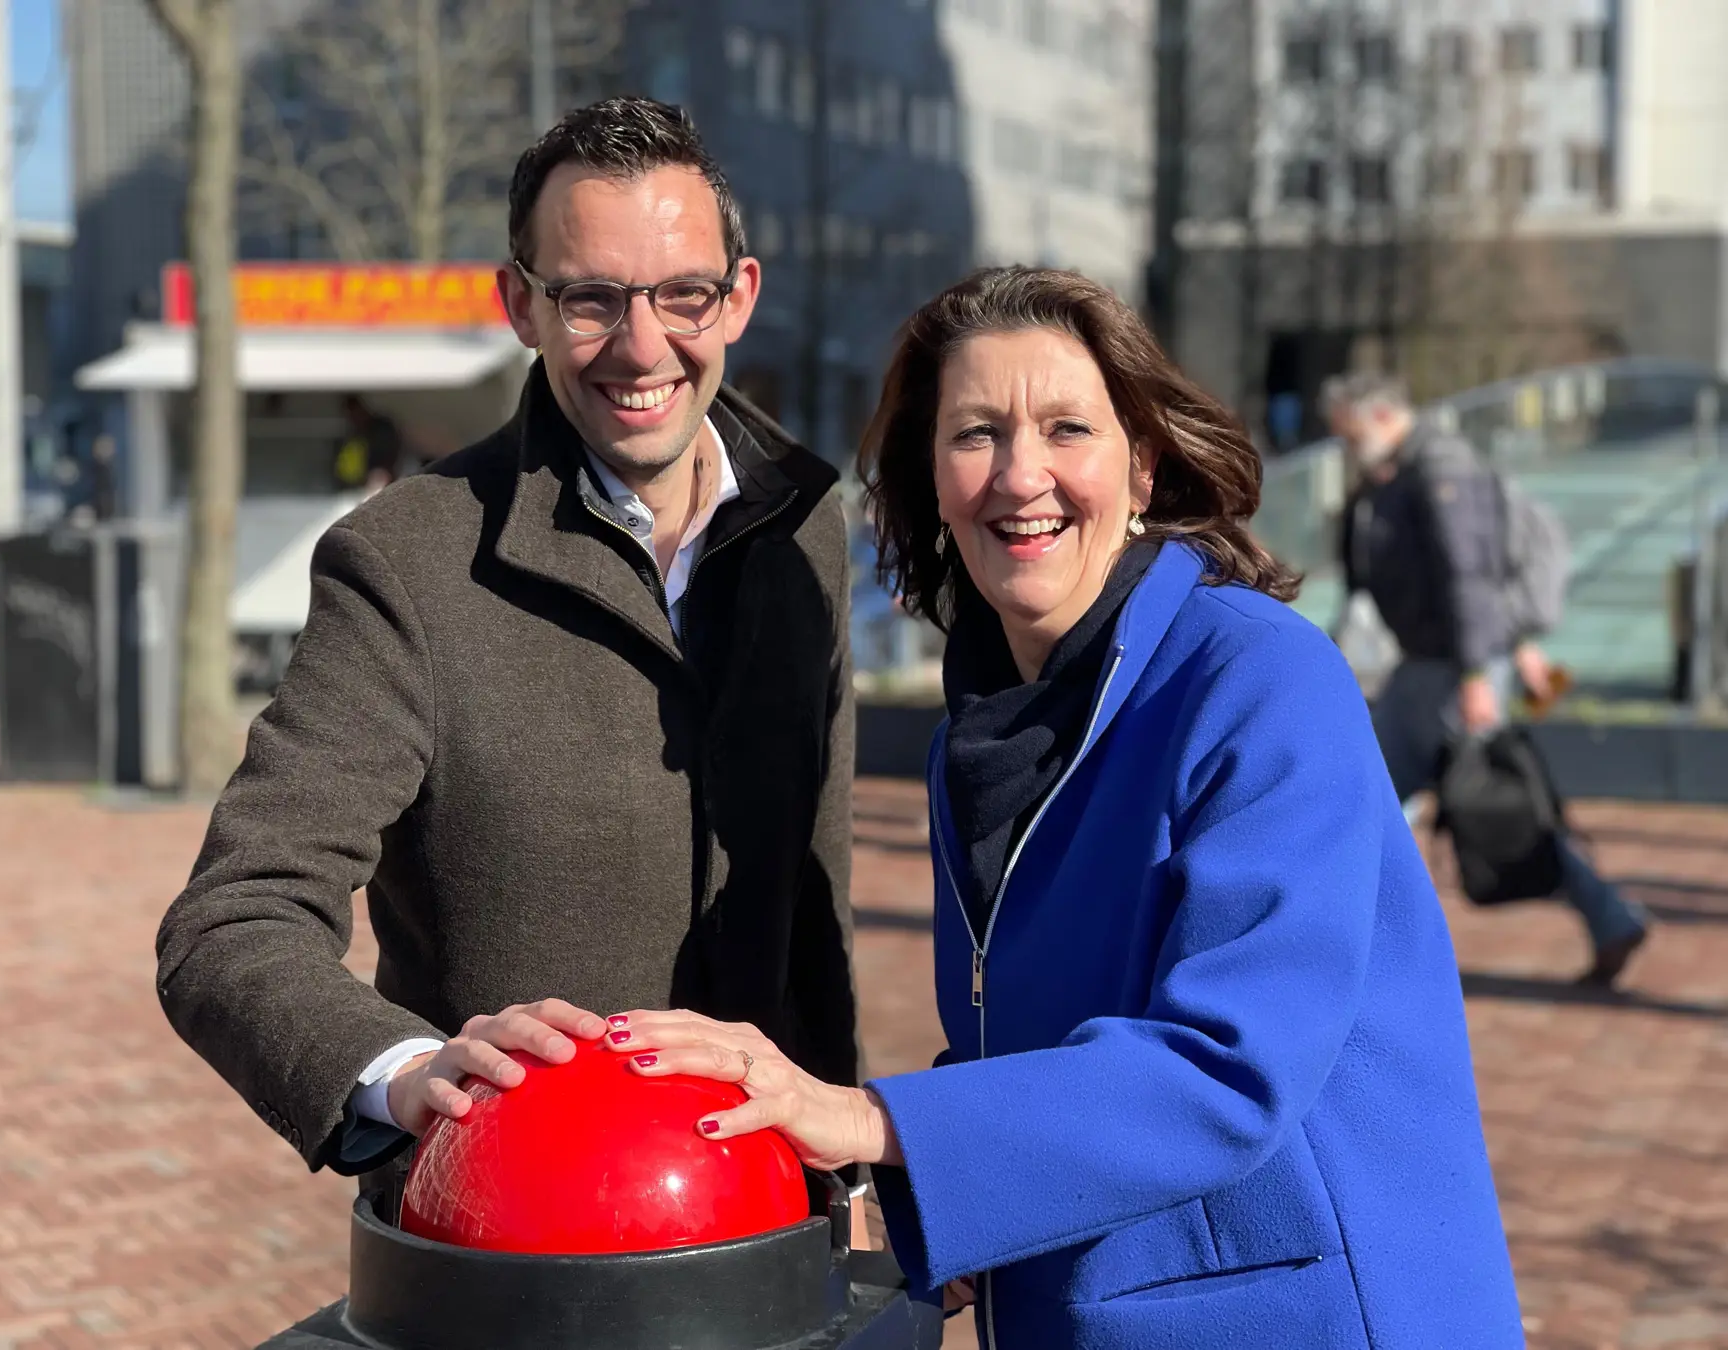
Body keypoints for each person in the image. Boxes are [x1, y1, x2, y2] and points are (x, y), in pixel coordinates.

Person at [600, 268, 1523, 1347]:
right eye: (976, 433)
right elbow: (1015, 1043)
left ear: (1140, 464)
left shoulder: (1262, 679)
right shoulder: (980, 734)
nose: (1020, 475)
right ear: (933, 484)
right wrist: (892, 1195)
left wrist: (869, 1119)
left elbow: (1227, 1068)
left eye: (1067, 428)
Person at [155, 96, 865, 1231]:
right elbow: (232, 921)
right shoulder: (406, 564)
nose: (642, 347)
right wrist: (406, 1073)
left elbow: (813, 906)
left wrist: (852, 1177)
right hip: (514, 1247)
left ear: (739, 295)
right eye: (589, 298)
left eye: (682, 293)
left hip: (774, 1225)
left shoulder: (806, 524)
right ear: (520, 306)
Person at [1323, 371, 1650, 987]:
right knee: (1458, 803)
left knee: (1400, 801)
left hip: (1447, 671)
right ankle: (1609, 918)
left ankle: (1345, 951)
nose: (1344, 443)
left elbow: (1468, 575)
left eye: (1350, 430)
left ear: (1386, 416)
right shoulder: (1406, 471)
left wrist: (1478, 672)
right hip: (1433, 667)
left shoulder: (1442, 471)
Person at [331, 394, 405, 491]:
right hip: (356, 485)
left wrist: (383, 473)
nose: (353, 417)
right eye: (350, 414)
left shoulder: (382, 429)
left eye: (354, 412)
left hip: (382, 478)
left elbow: (390, 452)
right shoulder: (351, 436)